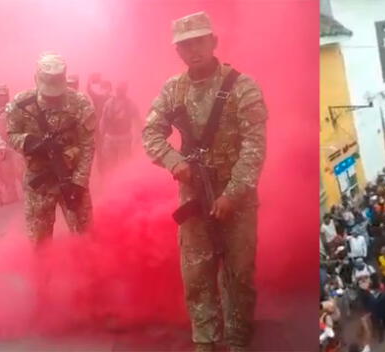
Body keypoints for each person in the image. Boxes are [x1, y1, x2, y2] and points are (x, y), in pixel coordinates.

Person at [142, 11, 267, 352]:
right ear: (177, 52)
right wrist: (174, 161)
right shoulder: (173, 89)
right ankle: (205, 339)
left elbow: (254, 148)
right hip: (193, 195)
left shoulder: (243, 87)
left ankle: (238, 337)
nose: (192, 50)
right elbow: (150, 132)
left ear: (213, 42)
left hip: (236, 199)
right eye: (184, 45)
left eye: (199, 41)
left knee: (239, 273)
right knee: (197, 273)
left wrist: (232, 194)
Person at [5, 52, 95, 244]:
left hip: (71, 179)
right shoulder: (20, 104)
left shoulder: (80, 103)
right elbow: (10, 134)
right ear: (36, 79)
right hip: (39, 182)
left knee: (85, 236)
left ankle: (88, 272)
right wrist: (30, 142)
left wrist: (79, 182)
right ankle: (43, 273)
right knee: (40, 241)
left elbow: (87, 145)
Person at [100, 82, 140, 171]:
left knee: (125, 164)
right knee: (110, 164)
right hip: (110, 137)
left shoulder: (130, 104)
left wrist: (138, 137)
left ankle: (124, 182)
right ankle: (111, 182)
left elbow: (137, 120)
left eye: (121, 90)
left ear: (125, 91)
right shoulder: (108, 103)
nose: (119, 92)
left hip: (124, 137)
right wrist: (102, 137)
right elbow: (103, 120)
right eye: (118, 89)